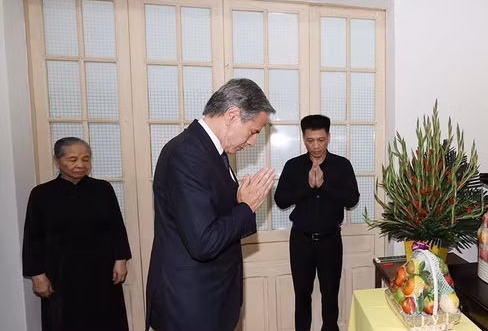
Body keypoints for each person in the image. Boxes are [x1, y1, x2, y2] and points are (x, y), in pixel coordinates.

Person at [146, 78, 277, 331]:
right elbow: (203, 242)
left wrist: (238, 203)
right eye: (253, 131)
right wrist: (245, 207)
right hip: (190, 304)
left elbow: (212, 215)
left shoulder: (213, 153)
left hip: (212, 298)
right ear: (232, 115)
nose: (252, 142)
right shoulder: (186, 154)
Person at [22, 137, 131, 331]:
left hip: (101, 271)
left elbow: (116, 227)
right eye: (72, 159)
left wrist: (120, 259)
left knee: (106, 319)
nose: (80, 165)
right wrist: (37, 274)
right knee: (63, 321)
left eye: (86, 159)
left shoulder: (103, 189)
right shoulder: (41, 194)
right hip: (60, 272)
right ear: (57, 161)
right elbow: (32, 237)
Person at [274, 115, 359, 331]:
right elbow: (281, 200)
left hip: (330, 241)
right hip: (300, 241)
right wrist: (308, 186)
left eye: (321, 140)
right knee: (302, 297)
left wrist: (324, 184)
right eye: (310, 140)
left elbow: (352, 200)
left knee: (330, 298)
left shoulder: (342, 165)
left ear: (328, 137)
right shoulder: (293, 166)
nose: (316, 146)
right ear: (303, 138)